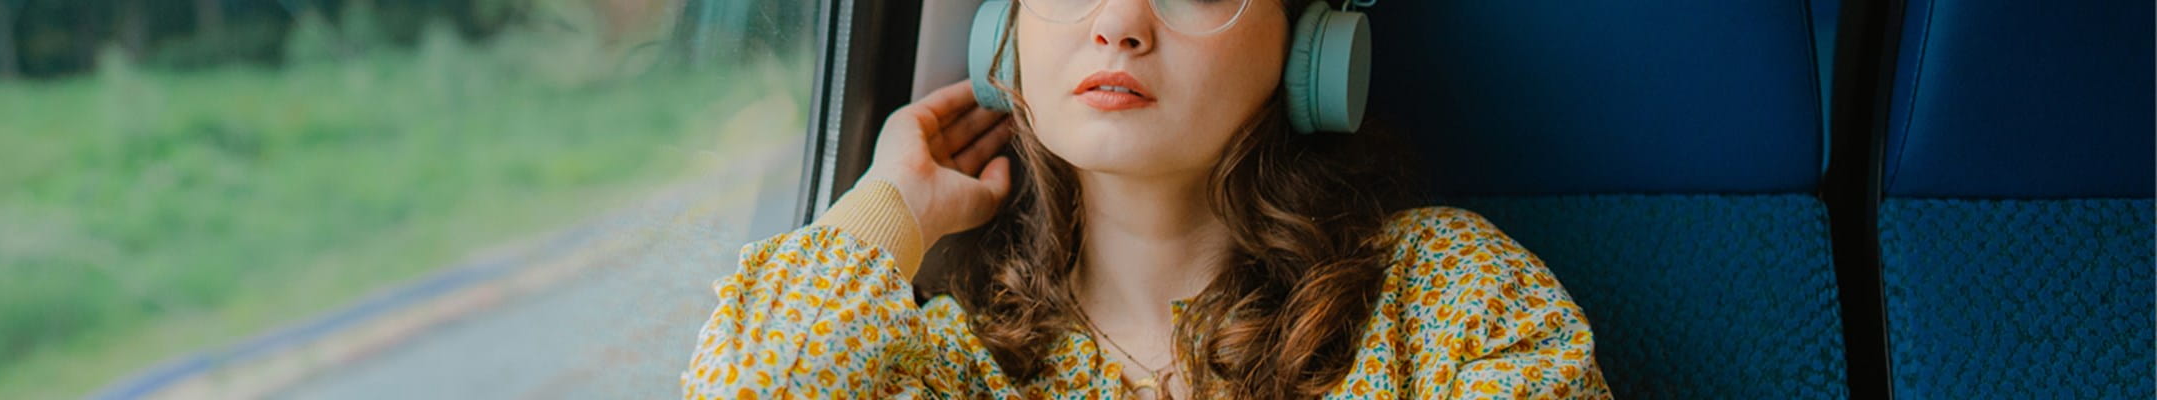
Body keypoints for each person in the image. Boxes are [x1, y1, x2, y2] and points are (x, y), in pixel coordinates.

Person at [681, 0, 1610, 398]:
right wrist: (890, 207)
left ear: (1308, 45)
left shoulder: (1441, 292)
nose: (1120, 22)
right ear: (1005, 40)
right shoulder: (951, 366)